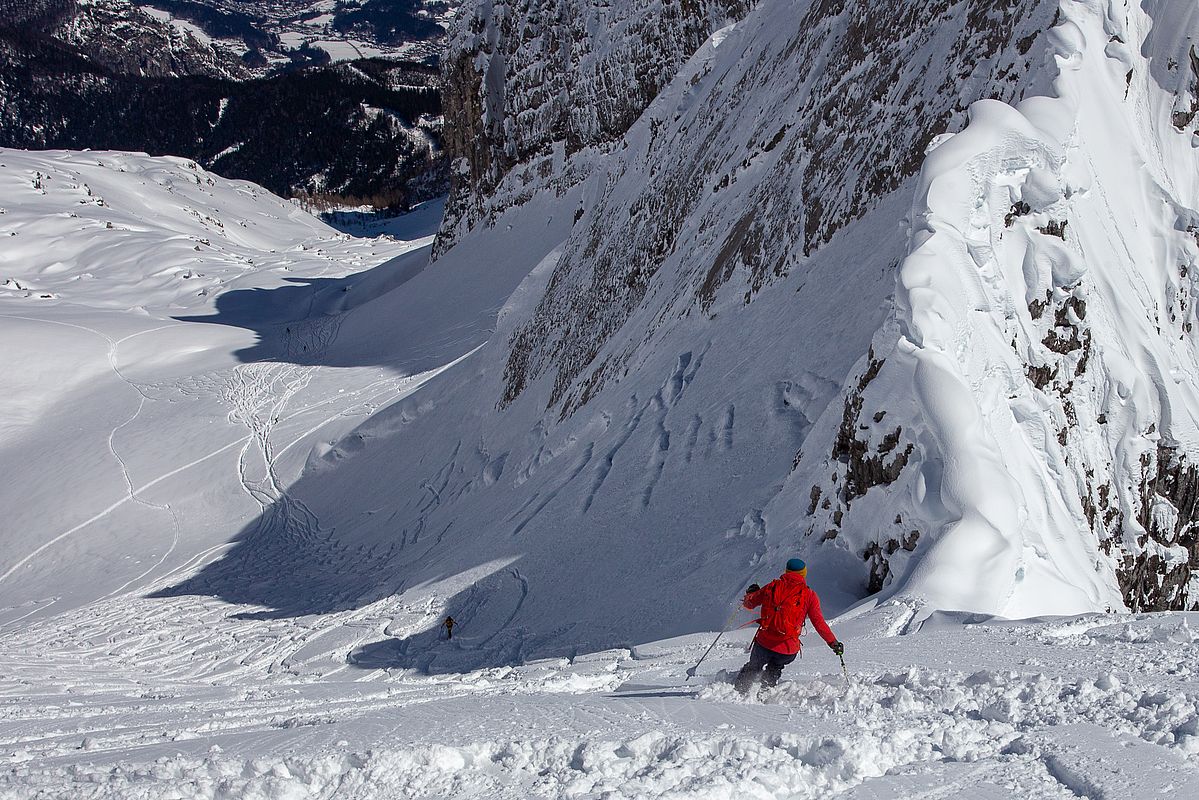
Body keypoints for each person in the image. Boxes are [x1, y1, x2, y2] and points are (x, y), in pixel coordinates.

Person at [734, 558, 843, 696]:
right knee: (775, 667)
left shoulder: (772, 587)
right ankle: (765, 692)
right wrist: (833, 643)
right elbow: (819, 623)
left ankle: (737, 693)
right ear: (803, 574)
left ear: (787, 571)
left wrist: (751, 593)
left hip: (764, 644)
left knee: (753, 667)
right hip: (788, 649)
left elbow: (749, 603)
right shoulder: (809, 595)